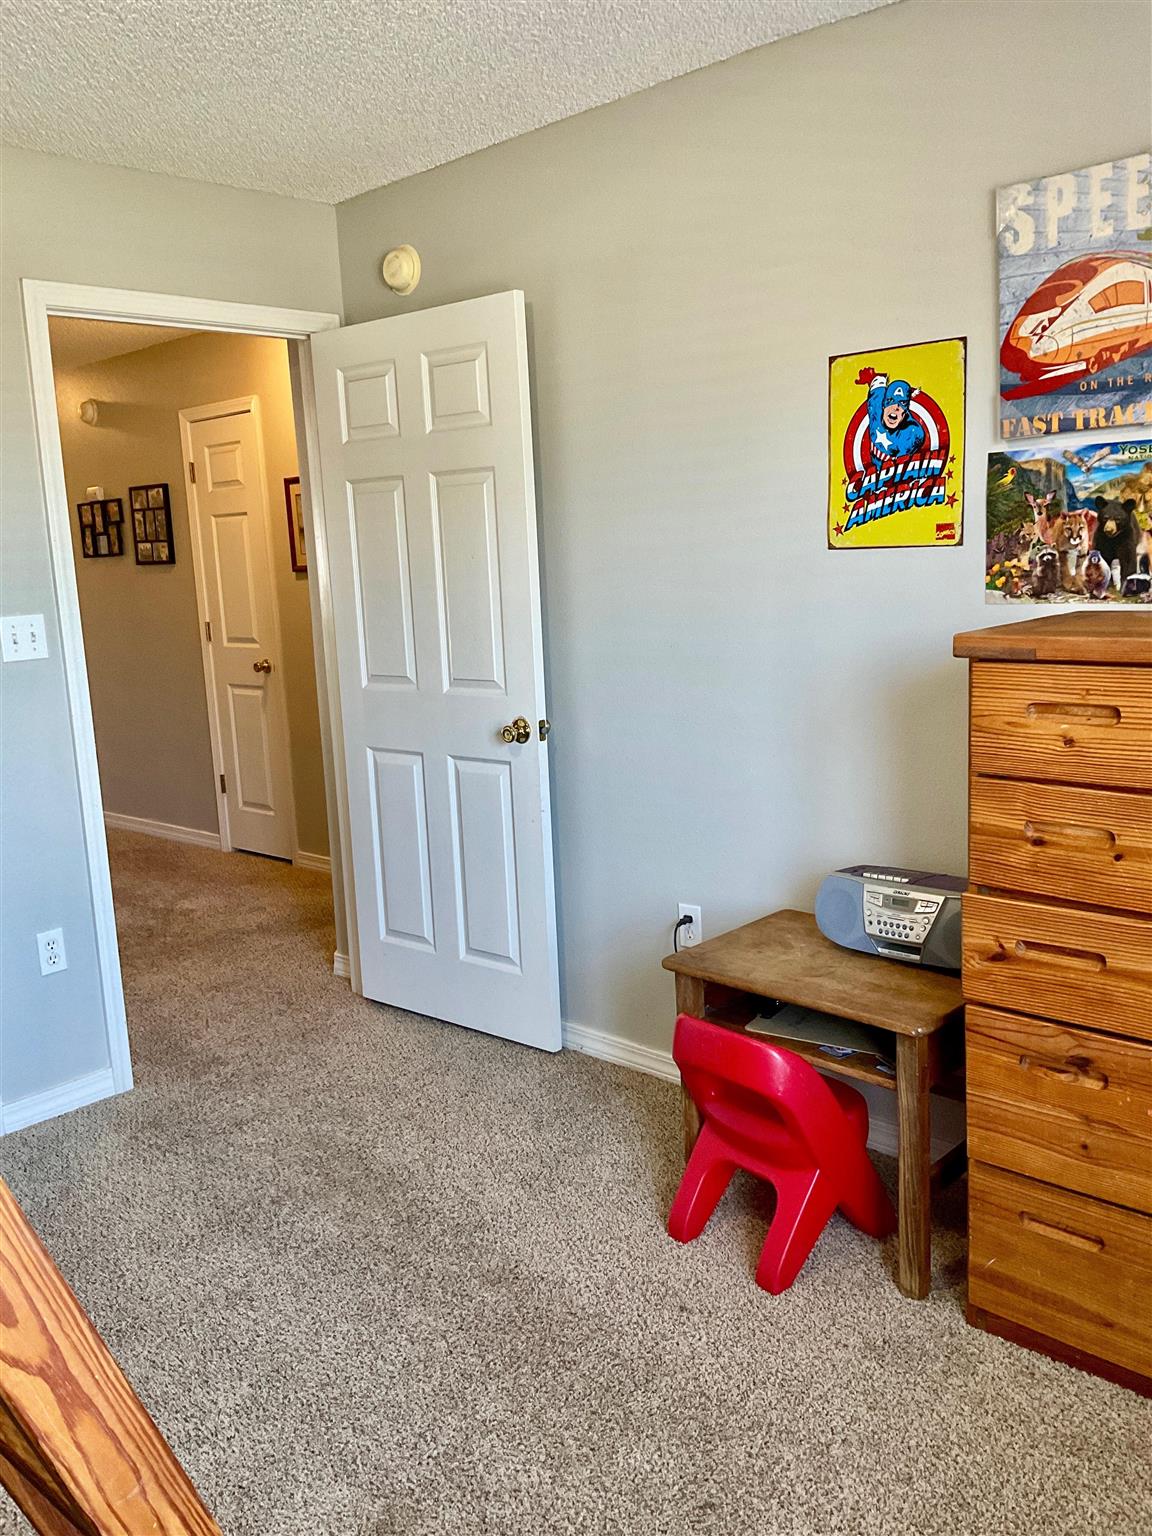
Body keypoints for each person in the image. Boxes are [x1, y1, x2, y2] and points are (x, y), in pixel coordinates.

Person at [857, 366, 926, 461]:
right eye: (891, 401)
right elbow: (877, 384)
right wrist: (871, 376)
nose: (895, 408)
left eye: (902, 403)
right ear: (883, 404)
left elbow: (901, 466)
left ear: (905, 411)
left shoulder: (912, 433)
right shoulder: (875, 404)